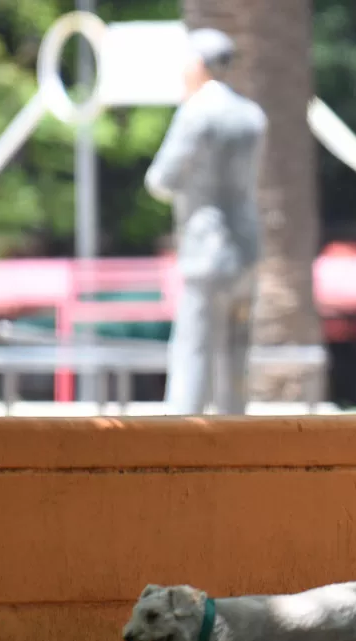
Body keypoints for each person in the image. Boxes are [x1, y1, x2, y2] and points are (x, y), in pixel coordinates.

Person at [146, 28, 267, 415]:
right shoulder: (252, 115)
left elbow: (162, 178)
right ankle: (236, 432)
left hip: (206, 246)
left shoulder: (196, 111)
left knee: (194, 347)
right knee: (236, 350)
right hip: (247, 245)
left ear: (197, 64)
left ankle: (184, 439)